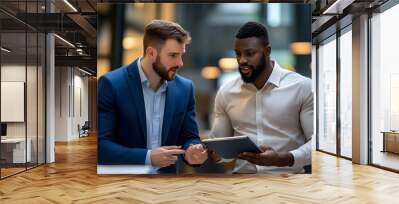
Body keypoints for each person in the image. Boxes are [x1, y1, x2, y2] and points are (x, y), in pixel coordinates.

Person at [98, 20, 208, 174]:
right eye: (173, 55)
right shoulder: (111, 84)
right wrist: (148, 157)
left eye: (181, 55)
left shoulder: (185, 88)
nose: (180, 63)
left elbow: (189, 137)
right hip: (122, 185)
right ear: (151, 53)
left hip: (166, 187)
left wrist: (191, 150)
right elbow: (101, 145)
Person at [209, 21, 313, 174]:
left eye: (250, 53)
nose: (242, 60)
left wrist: (284, 158)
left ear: (267, 51)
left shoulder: (302, 87)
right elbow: (221, 149)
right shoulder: (226, 92)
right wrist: (212, 152)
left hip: (289, 182)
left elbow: (317, 143)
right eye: (238, 54)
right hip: (243, 183)